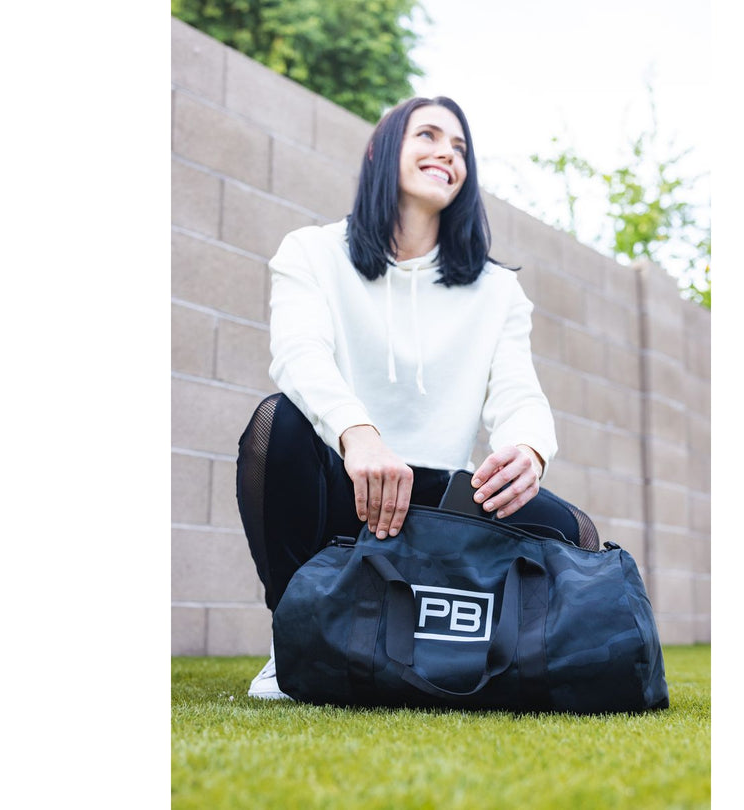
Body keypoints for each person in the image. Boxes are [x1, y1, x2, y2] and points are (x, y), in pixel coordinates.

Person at [237, 96, 599, 700]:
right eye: (427, 135)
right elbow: (299, 356)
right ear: (381, 151)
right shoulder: (311, 252)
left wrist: (528, 450)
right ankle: (295, 637)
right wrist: (359, 434)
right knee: (279, 425)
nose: (446, 154)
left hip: (435, 502)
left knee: (577, 535)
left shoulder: (497, 291)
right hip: (344, 483)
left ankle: (511, 647)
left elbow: (518, 394)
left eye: (459, 148)